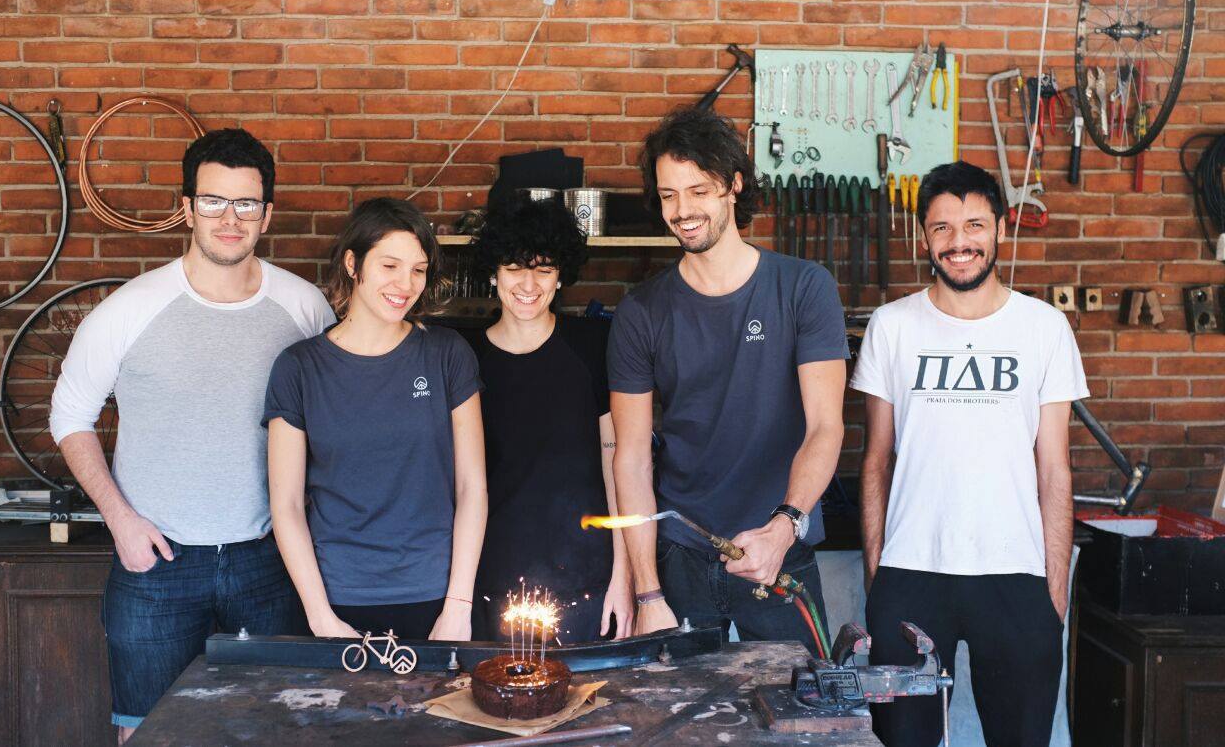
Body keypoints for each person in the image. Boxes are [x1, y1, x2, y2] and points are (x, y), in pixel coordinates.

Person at [49, 128, 334, 741]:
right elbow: (69, 415)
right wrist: (120, 521)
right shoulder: (130, 308)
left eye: (245, 204)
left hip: (271, 559)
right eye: (212, 201)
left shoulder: (305, 308)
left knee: (276, 729)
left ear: (267, 214)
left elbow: (338, 417)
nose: (229, 219)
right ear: (187, 207)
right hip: (157, 561)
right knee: (147, 732)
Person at [852, 161, 1086, 747]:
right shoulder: (892, 326)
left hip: (1015, 573)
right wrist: (879, 577)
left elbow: (1055, 468)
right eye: (943, 228)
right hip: (912, 575)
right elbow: (876, 460)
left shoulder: (1044, 328)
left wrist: (1053, 592)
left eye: (975, 225)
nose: (960, 243)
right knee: (901, 742)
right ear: (923, 236)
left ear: (1001, 229)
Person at [608, 107, 849, 649]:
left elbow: (825, 428)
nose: (683, 210)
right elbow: (631, 457)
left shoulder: (804, 288)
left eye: (699, 190)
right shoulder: (640, 312)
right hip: (680, 561)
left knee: (803, 723)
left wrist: (784, 526)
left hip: (781, 549)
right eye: (669, 195)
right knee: (677, 728)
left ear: (735, 185)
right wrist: (648, 593)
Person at [265, 197, 486, 641]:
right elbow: (286, 505)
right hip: (336, 597)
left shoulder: (447, 354)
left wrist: (459, 607)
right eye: (390, 266)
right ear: (353, 263)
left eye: (418, 270)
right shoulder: (299, 367)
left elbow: (472, 487)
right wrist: (320, 616)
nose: (405, 284)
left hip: (436, 596)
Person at [465, 198, 634, 644]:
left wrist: (625, 573)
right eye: (515, 267)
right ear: (493, 273)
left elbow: (618, 465)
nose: (528, 283)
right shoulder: (463, 357)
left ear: (561, 277)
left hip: (587, 579)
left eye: (543, 269)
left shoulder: (592, 347)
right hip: (489, 577)